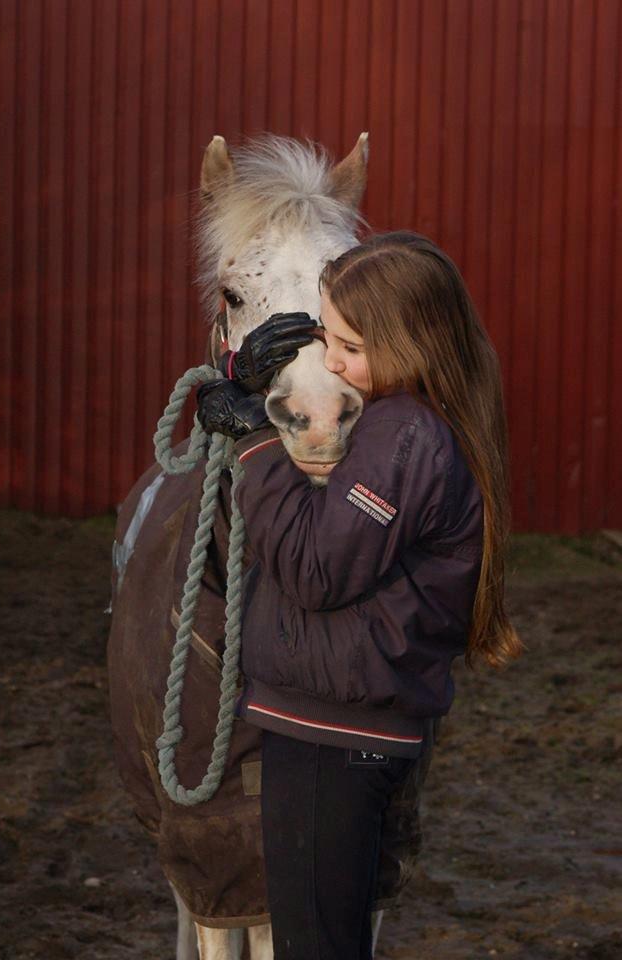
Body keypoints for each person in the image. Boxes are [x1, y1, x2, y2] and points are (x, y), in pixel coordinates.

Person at [197, 231, 522, 960]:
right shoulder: (402, 422)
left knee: (316, 942)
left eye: (347, 344)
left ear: (408, 342)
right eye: (322, 335)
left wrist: (254, 439)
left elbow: (316, 567)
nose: (332, 364)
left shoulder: (402, 438)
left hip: (336, 736)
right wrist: (247, 382)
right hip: (340, 725)